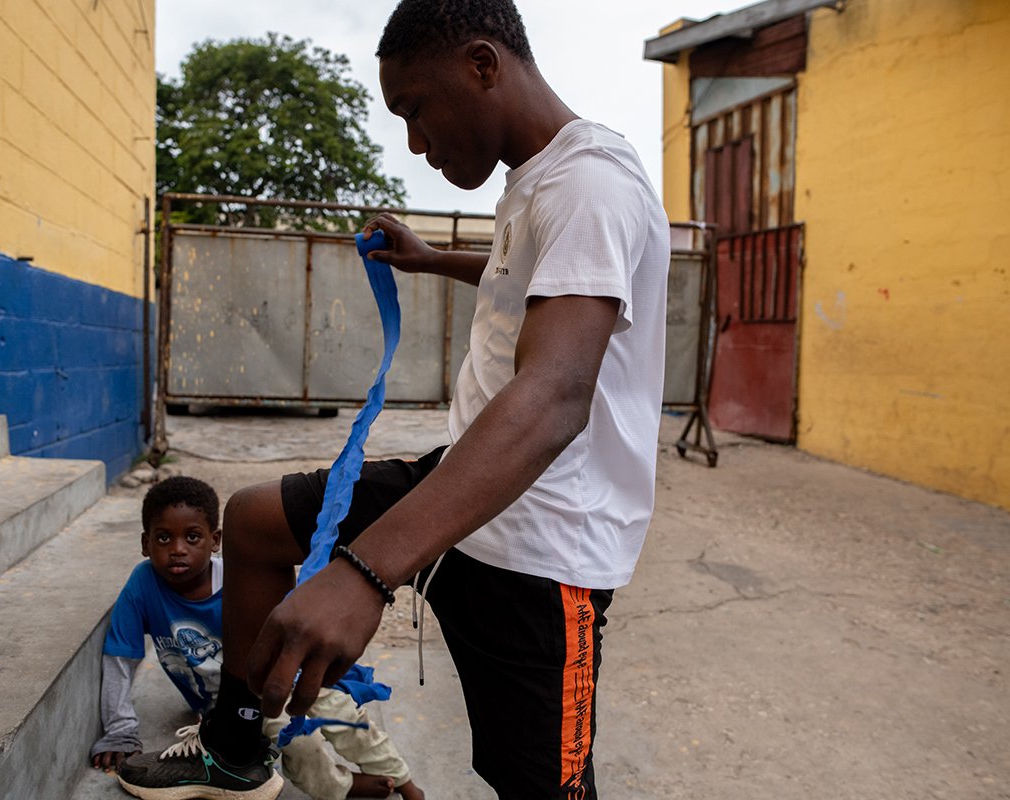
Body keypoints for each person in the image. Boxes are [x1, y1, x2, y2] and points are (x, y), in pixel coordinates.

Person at [117, 0, 670, 797]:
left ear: (482, 65)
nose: (415, 141)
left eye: (415, 109)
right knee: (256, 520)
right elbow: (531, 276)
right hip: (468, 484)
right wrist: (432, 259)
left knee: (545, 787)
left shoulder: (590, 185)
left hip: (544, 549)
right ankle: (235, 748)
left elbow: (554, 396)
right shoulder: (540, 180)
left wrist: (364, 572)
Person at [94, 476, 424, 800]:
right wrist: (120, 731)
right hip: (225, 708)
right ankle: (342, 787)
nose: (177, 550)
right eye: (163, 538)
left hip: (282, 677)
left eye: (192, 537)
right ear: (145, 544)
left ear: (215, 540)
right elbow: (120, 659)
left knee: (346, 717)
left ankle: (404, 780)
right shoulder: (142, 585)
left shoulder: (241, 581)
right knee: (300, 743)